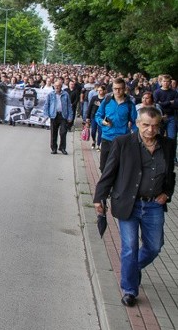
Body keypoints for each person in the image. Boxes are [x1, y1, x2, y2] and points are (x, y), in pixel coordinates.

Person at [94, 106, 175, 307]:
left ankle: (131, 268)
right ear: (138, 123)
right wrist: (99, 197)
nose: (150, 130)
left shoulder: (168, 144)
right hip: (128, 203)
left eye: (155, 126)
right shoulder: (123, 143)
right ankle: (129, 290)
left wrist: (167, 193)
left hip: (154, 205)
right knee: (129, 248)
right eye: (146, 125)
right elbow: (109, 172)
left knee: (155, 247)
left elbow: (170, 174)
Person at [95, 78, 138, 172]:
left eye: (120, 88)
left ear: (124, 88)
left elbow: (135, 122)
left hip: (122, 139)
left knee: (118, 167)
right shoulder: (107, 101)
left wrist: (135, 136)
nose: (117, 91)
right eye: (115, 88)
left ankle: (115, 186)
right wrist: (103, 122)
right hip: (107, 137)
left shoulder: (130, 104)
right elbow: (98, 115)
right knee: (104, 167)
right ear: (112, 89)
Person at [45, 79, 74, 155]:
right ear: (54, 86)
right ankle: (54, 148)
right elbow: (46, 105)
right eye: (55, 86)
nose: (57, 87)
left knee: (63, 132)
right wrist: (46, 114)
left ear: (61, 86)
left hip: (63, 115)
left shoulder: (66, 94)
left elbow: (69, 106)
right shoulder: (50, 94)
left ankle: (62, 148)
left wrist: (70, 116)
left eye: (58, 86)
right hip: (54, 115)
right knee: (53, 133)